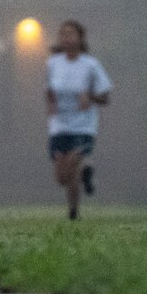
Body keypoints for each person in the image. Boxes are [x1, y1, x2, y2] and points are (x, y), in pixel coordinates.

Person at [46, 19, 112, 221]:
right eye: (63, 34)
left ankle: (73, 214)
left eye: (71, 34)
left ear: (80, 38)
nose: (66, 38)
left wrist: (90, 97)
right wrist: (51, 104)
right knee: (63, 177)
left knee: (72, 163)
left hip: (83, 126)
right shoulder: (53, 64)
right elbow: (49, 90)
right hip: (59, 125)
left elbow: (106, 97)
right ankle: (86, 173)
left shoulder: (91, 65)